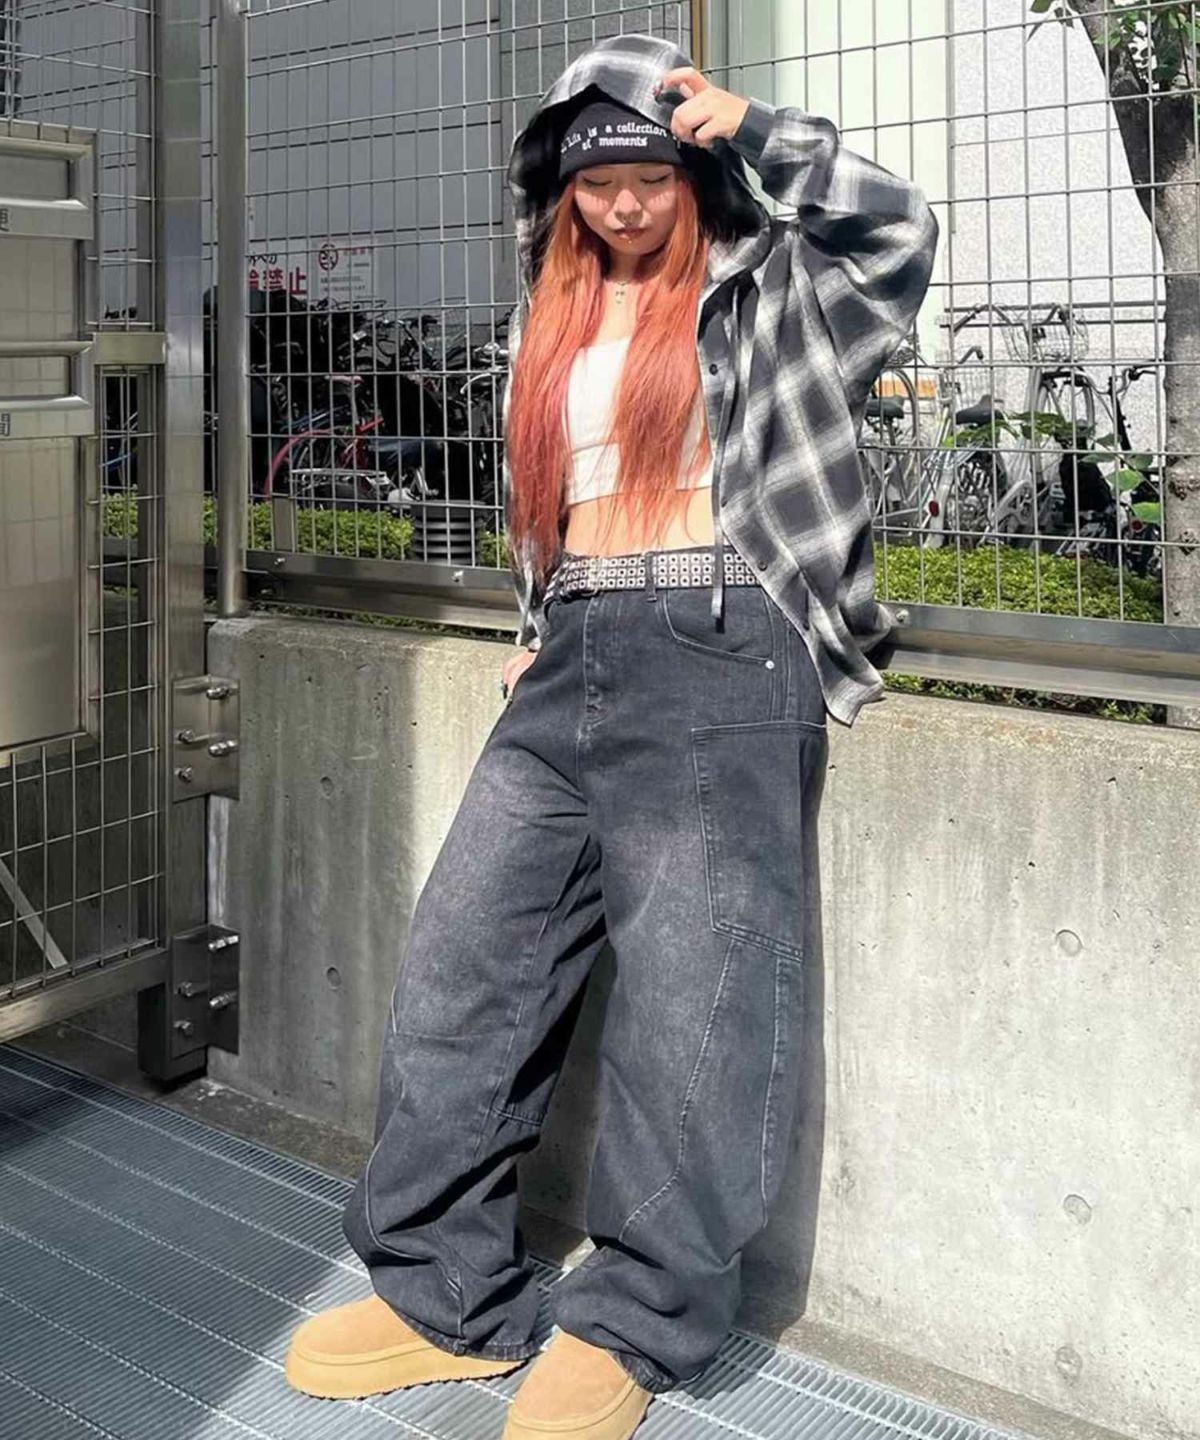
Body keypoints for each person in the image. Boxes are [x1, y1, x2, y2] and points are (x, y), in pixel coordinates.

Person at [284, 31, 937, 1440]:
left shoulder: (779, 285)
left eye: (650, 172)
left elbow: (898, 224)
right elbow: (561, 490)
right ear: (560, 189)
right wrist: (546, 613)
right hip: (573, 649)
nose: (626, 203)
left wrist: (750, 125)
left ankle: (637, 1320)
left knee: (693, 1007)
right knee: (466, 965)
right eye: (597, 181)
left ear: (692, 172)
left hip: (723, 638)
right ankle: (443, 1294)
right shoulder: (556, 308)